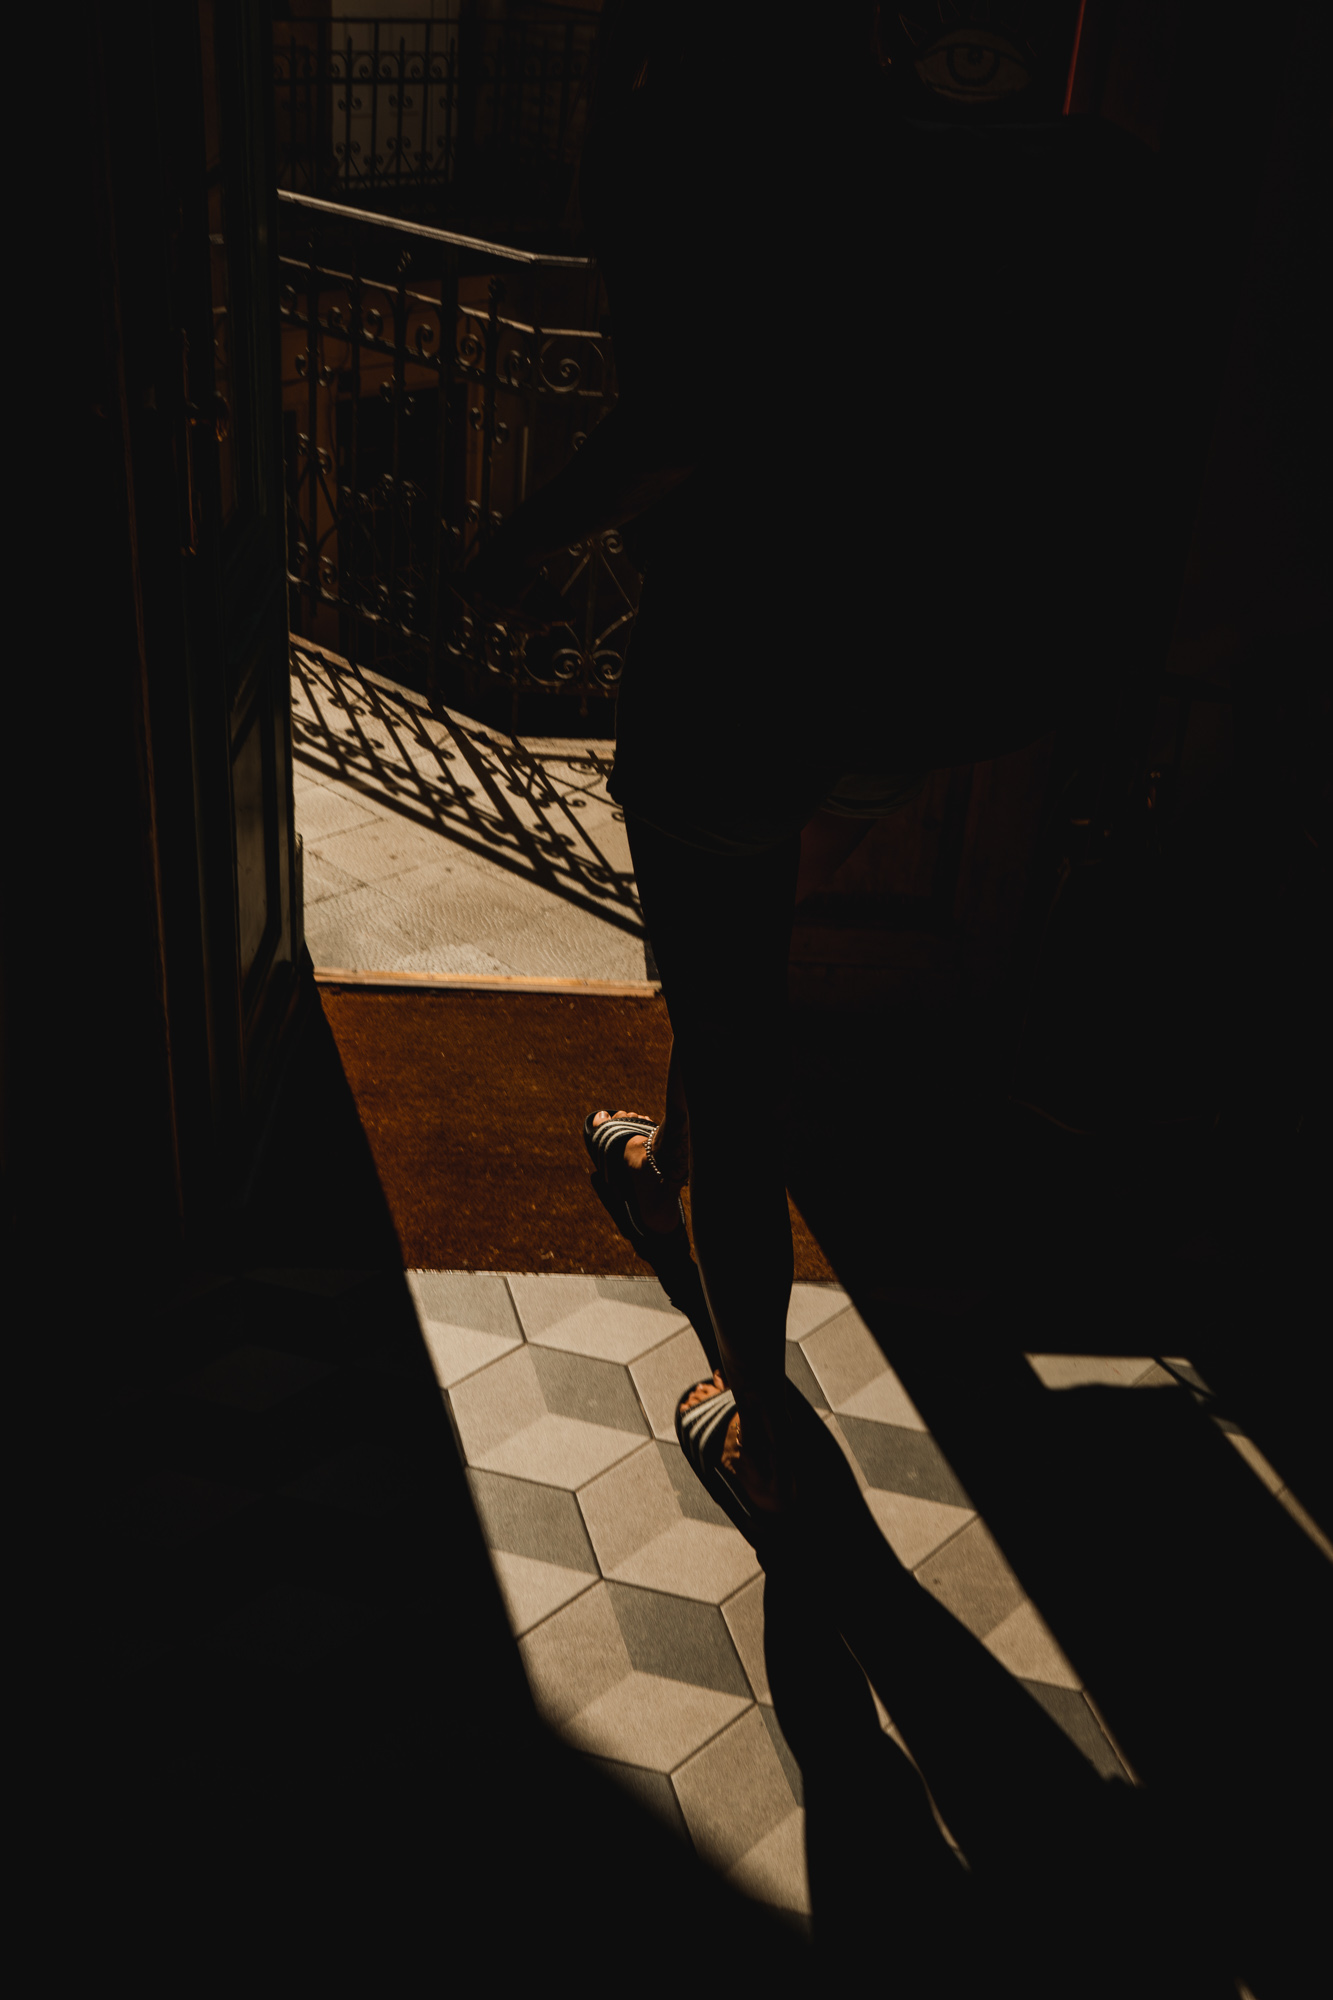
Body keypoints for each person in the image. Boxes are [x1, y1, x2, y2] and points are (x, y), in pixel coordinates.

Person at [457, 0, 1174, 1532]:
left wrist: (513, 548)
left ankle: (761, 1424)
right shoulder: (937, 178)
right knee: (737, 952)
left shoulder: (703, 189)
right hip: (916, 688)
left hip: (738, 681)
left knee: (734, 1032)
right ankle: (663, 1163)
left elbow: (672, 421)